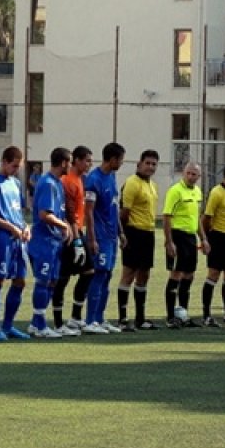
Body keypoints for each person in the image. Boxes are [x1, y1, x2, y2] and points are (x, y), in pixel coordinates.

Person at [0, 146, 34, 341]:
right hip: (2, 238)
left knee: (20, 281)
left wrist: (25, 226)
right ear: (4, 162)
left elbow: (18, 211)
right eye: (13, 166)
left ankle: (8, 326)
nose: (15, 170)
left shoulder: (14, 183)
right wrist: (9, 227)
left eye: (18, 167)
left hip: (19, 239)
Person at [26, 147, 73, 338]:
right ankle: (39, 324)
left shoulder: (57, 183)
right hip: (43, 241)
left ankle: (37, 323)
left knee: (52, 282)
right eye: (69, 162)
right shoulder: (47, 184)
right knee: (43, 281)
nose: (69, 166)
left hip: (54, 242)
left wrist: (64, 226)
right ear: (63, 163)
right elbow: (44, 214)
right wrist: (64, 226)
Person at [83, 142, 127, 335]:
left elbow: (114, 207)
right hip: (99, 237)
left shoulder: (112, 177)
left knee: (108, 276)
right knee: (99, 275)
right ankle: (90, 320)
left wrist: (121, 232)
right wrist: (92, 239)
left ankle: (100, 319)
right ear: (112, 159)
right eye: (121, 160)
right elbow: (89, 212)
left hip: (111, 237)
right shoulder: (94, 179)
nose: (122, 163)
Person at [53, 146, 94, 334]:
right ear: (76, 160)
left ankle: (75, 317)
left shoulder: (79, 179)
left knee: (88, 271)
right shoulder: (68, 180)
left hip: (78, 231)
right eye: (86, 160)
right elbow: (69, 210)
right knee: (63, 278)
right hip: (71, 233)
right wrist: (76, 239)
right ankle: (58, 322)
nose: (89, 164)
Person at [117, 149, 160, 331]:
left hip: (148, 233)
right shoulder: (132, 183)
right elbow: (124, 213)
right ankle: (123, 319)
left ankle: (140, 319)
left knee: (144, 275)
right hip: (133, 232)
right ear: (139, 164)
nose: (150, 167)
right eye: (147, 163)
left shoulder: (153, 185)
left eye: (153, 164)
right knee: (128, 274)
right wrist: (124, 234)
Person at [162, 161, 208, 328]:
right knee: (175, 274)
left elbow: (197, 218)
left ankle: (183, 314)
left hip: (190, 238)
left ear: (199, 176)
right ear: (183, 173)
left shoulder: (197, 192)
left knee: (189, 275)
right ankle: (169, 317)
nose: (190, 176)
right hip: (177, 235)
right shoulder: (175, 191)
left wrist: (203, 238)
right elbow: (167, 216)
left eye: (194, 174)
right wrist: (169, 241)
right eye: (188, 173)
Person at [200, 162, 225, 327]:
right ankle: (206, 314)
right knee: (213, 275)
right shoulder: (216, 192)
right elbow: (206, 218)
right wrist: (207, 239)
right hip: (218, 237)